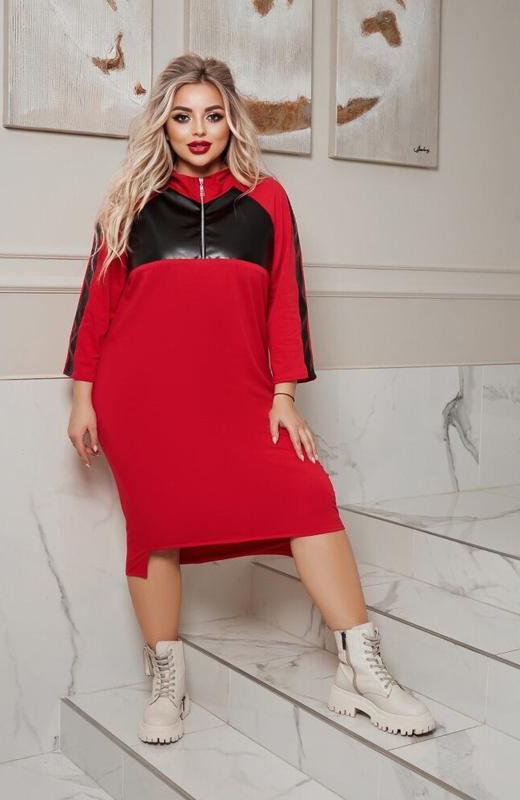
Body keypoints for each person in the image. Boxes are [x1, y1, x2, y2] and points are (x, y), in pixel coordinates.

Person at [63, 53, 435, 744]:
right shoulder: (130, 204)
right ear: (164, 126)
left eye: (212, 116)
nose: (198, 130)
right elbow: (97, 305)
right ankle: (166, 683)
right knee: (156, 531)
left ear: (231, 122)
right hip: (140, 401)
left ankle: (361, 668)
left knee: (307, 496)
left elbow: (285, 303)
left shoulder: (267, 201)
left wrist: (284, 395)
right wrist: (83, 398)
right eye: (182, 117)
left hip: (240, 396)